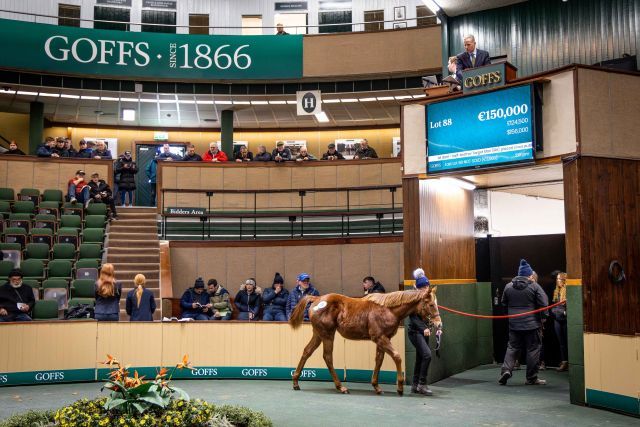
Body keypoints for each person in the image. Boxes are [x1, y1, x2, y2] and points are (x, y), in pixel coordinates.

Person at [499, 259, 549, 386]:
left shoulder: (508, 286)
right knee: (533, 349)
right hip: (532, 325)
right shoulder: (534, 286)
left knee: (512, 347)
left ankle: (506, 370)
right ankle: (531, 378)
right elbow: (544, 303)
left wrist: (509, 316)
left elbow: (503, 303)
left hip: (514, 324)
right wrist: (543, 317)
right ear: (529, 275)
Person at [408, 268, 436, 395]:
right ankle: (422, 384)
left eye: (427, 285)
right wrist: (423, 328)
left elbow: (433, 313)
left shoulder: (428, 297)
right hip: (415, 332)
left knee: (420, 357)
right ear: (419, 288)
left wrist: (437, 326)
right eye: (424, 286)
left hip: (425, 331)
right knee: (427, 355)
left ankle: (415, 384)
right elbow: (412, 317)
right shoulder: (414, 298)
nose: (426, 288)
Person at [551, 272, 568, 372]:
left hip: (565, 320)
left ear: (564, 280)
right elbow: (553, 305)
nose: (557, 281)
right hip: (557, 319)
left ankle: (568, 362)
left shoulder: (568, 291)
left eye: (559, 279)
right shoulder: (556, 291)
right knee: (561, 342)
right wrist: (554, 312)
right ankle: (564, 361)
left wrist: (564, 313)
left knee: (566, 341)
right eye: (557, 279)